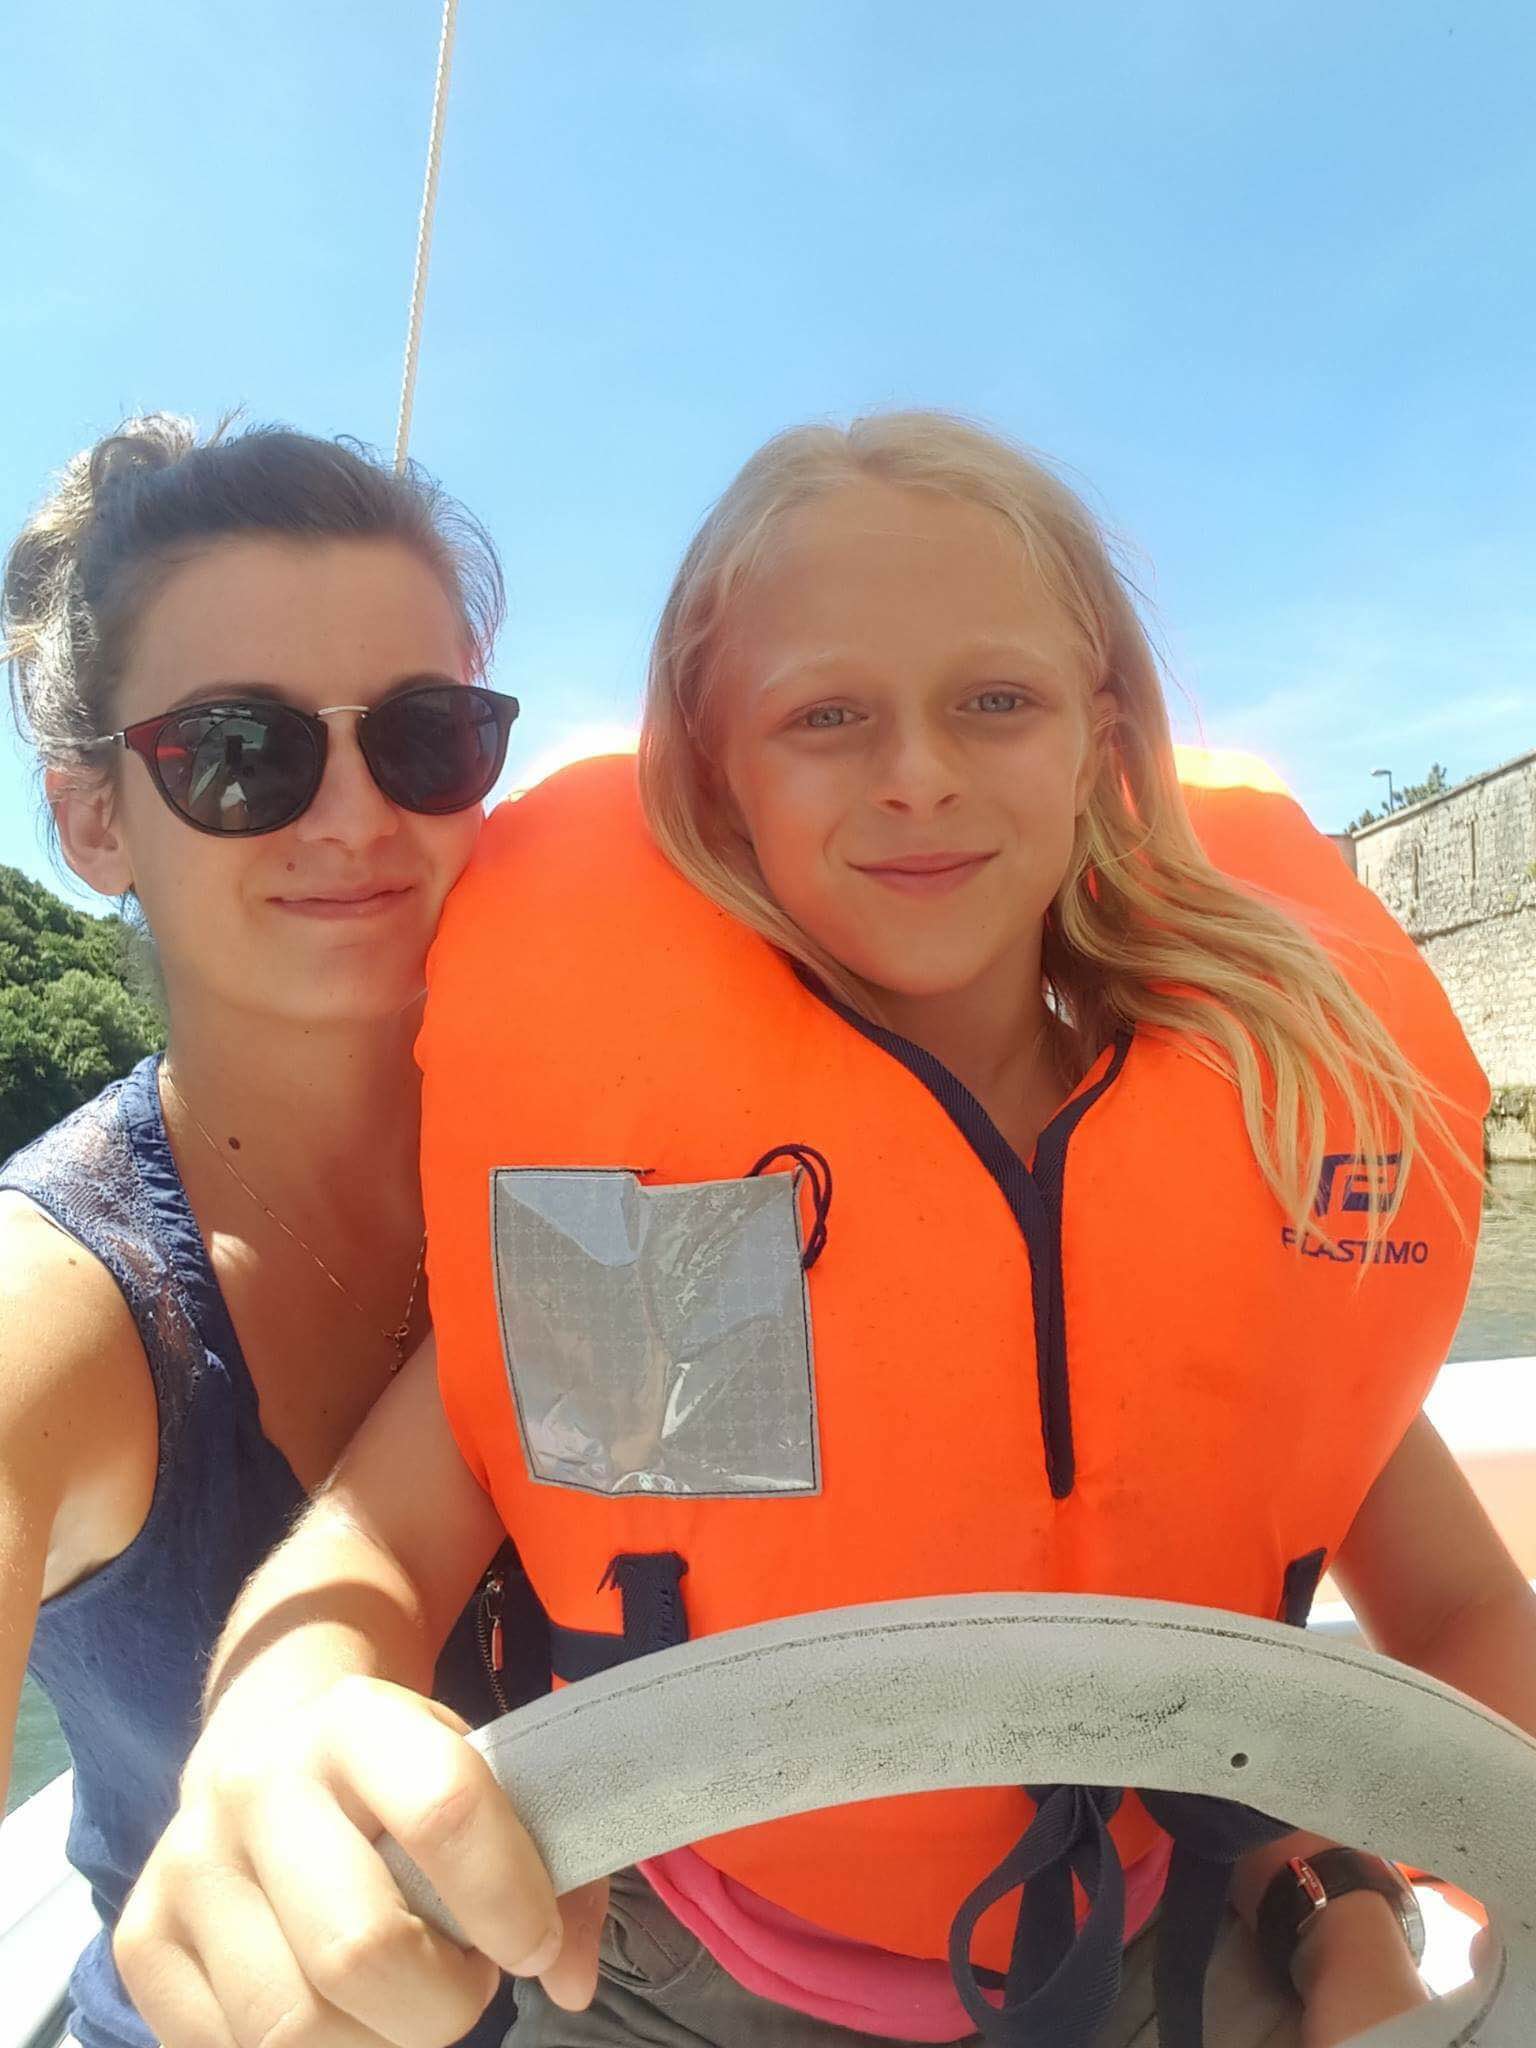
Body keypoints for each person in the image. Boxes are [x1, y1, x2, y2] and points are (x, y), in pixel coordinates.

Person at [118, 413, 1526, 2048]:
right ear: (718, 773)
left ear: (1101, 740)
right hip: (680, 1981)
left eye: (995, 701)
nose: (917, 772)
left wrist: (1371, 1878)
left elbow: (1459, 1605)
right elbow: (379, 1548)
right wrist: (275, 1731)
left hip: (1159, 1937)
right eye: (826, 716)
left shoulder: (1259, 1140)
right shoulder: (672, 1198)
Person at [0, 416, 546, 2048]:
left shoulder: (605, 1174)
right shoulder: (54, 1308)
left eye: (426, 736)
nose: (359, 816)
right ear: (96, 823)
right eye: (241, 751)